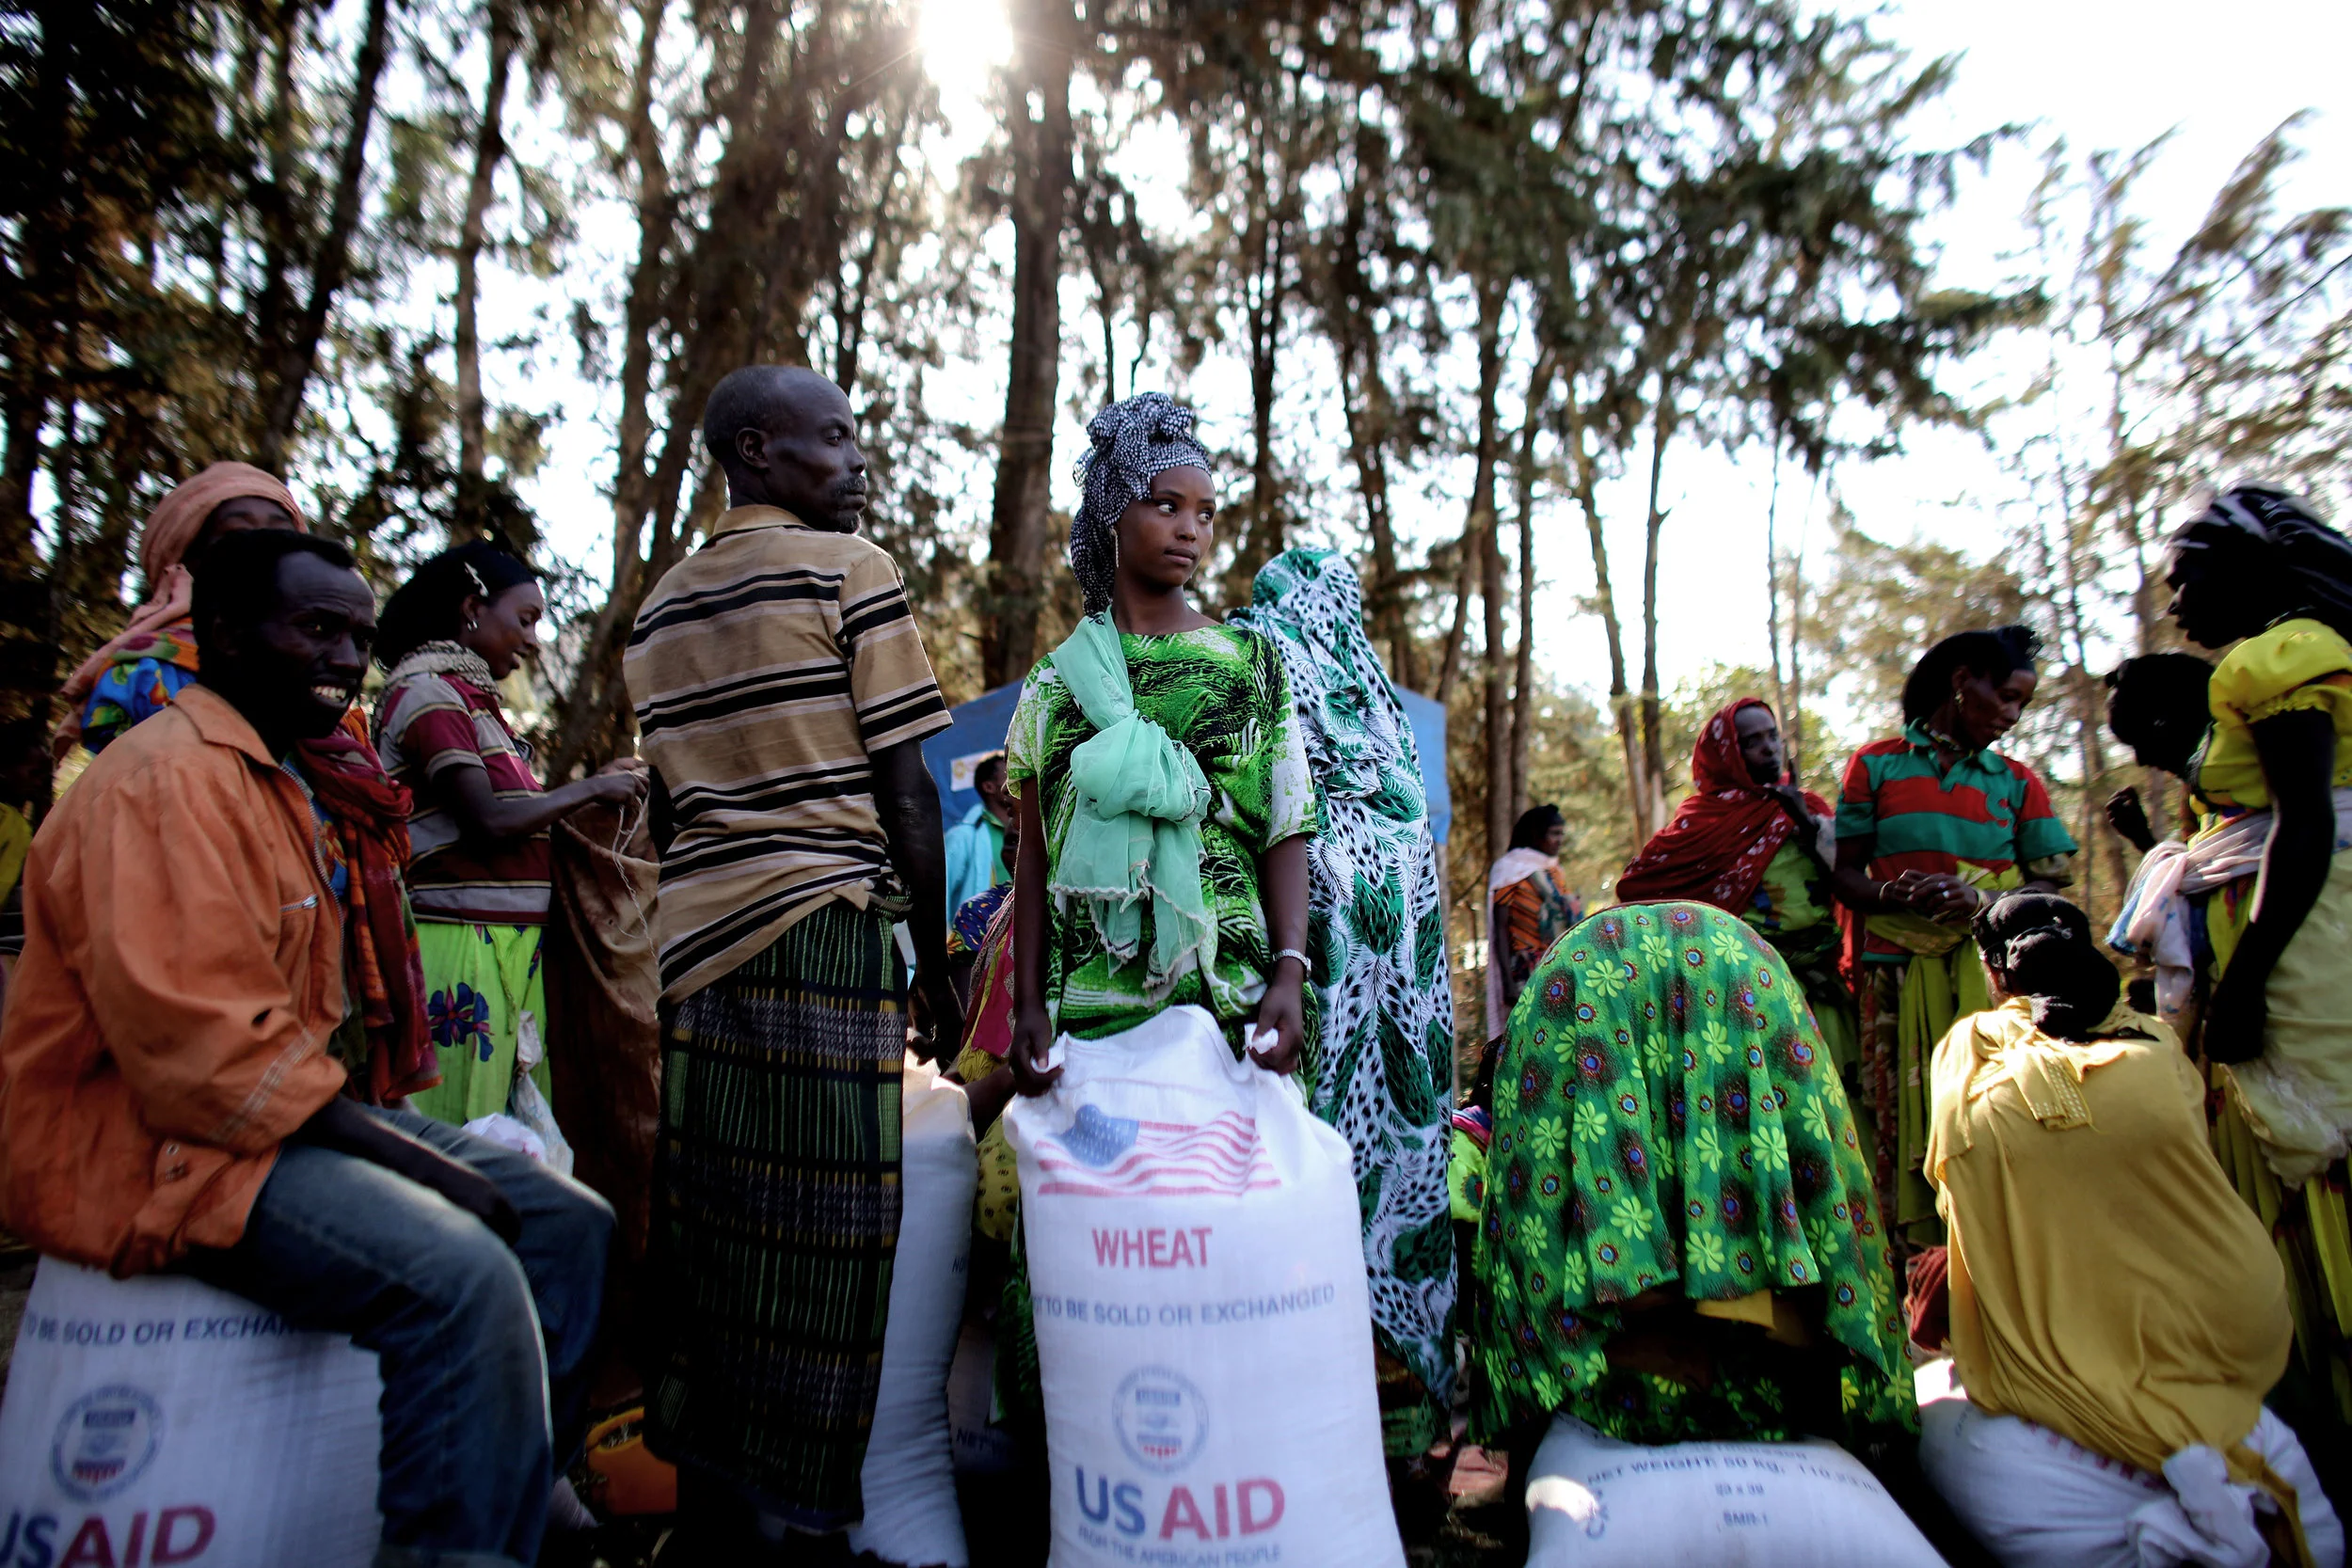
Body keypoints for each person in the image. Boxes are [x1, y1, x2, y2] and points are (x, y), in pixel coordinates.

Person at [0, 530, 613, 1568]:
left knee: (568, 1225)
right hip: (170, 1154)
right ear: (227, 633)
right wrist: (424, 1164)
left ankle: (500, 1521)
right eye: (317, 628)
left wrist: (409, 1143)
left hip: (265, 1121)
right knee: (466, 1272)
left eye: (358, 638)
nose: (345, 659)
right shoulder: (164, 784)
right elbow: (209, 1064)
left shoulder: (280, 783)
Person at [625, 364, 961, 1554]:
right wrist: (936, 964)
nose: (856, 459)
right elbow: (907, 792)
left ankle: (711, 1515)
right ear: (757, 450)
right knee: (828, 1230)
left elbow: (669, 809)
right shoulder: (849, 571)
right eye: (835, 436)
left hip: (695, 947)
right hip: (823, 931)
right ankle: (802, 1524)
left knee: (716, 1228)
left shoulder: (659, 610)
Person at [1920, 891, 2338, 1568]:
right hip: (2228, 1327)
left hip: (2064, 1363)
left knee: (1941, 1417)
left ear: (1994, 973)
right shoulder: (2159, 1047)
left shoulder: (1966, 1056)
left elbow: (1960, 1197)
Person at [1466, 902, 1908, 1463]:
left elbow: (1531, 1242)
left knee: (1540, 1232)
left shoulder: (1567, 985)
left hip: (1583, 988)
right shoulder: (1739, 958)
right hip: (1740, 974)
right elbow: (1821, 1198)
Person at [1230, 546, 1457, 1468]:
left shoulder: (1261, 668)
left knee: (1305, 1172)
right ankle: (1396, 1430)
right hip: (1382, 1016)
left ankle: (1304, 1420)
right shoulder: (1380, 718)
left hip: (1307, 1001)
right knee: (1377, 1182)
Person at [2160, 484, 2352, 1450]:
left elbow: (2304, 826)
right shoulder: (2306, 650)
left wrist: (2244, 983)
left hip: (2302, 947)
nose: (2174, 604)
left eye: (2185, 579)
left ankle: (2331, 1388)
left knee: (2311, 1148)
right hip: (2313, 926)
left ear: (2245, 570)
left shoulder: (2278, 658)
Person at [373, 541, 646, 1131]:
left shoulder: (471, 702)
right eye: (524, 620)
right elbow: (489, 821)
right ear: (473, 609)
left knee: (507, 1129)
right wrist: (590, 790)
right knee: (463, 1133)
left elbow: (520, 817)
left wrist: (590, 788)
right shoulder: (428, 694)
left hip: (508, 944)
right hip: (460, 947)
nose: (533, 640)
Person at [1829, 625, 2076, 1243]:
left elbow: (2051, 885)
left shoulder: (2016, 782)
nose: (2014, 715)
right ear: (1963, 682)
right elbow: (1845, 875)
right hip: (1891, 974)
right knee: (1896, 1121)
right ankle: (1917, 1268)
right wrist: (1893, 893)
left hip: (1992, 976)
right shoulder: (1876, 764)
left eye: (2024, 703)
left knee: (1994, 1110)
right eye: (2008, 696)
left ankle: (1996, 1251)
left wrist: (1981, 901)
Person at [1617, 698, 1855, 1071]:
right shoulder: (1702, 824)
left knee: (1835, 1091)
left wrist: (1806, 823)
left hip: (1822, 985)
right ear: (1726, 753)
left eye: (1772, 736)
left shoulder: (1806, 808)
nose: (1769, 748)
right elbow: (1640, 887)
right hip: (1747, 994)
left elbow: (1850, 878)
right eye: (1751, 741)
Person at [52, 461, 307, 759]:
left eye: (281, 535)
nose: (265, 549)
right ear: (187, 560)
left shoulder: (322, 659)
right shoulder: (145, 673)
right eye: (238, 534)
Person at [2103, 652, 2216, 854]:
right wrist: (2143, 840)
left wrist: (2146, 843)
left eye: (2143, 741)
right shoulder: (2195, 797)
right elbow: (2200, 867)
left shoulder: (2252, 776)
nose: (2140, 760)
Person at [1486, 802, 1579, 1042]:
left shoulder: (1554, 871)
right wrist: (1507, 982)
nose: (1559, 840)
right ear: (1536, 834)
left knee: (1560, 1039)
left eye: (1562, 834)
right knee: (1532, 1039)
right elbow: (1500, 929)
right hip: (1525, 973)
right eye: (1554, 834)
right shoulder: (1509, 871)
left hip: (1559, 967)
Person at [945, 752, 1013, 919]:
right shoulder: (963, 837)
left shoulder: (1029, 827)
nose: (1017, 780)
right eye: (1009, 776)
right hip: (981, 932)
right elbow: (940, 894)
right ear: (989, 787)